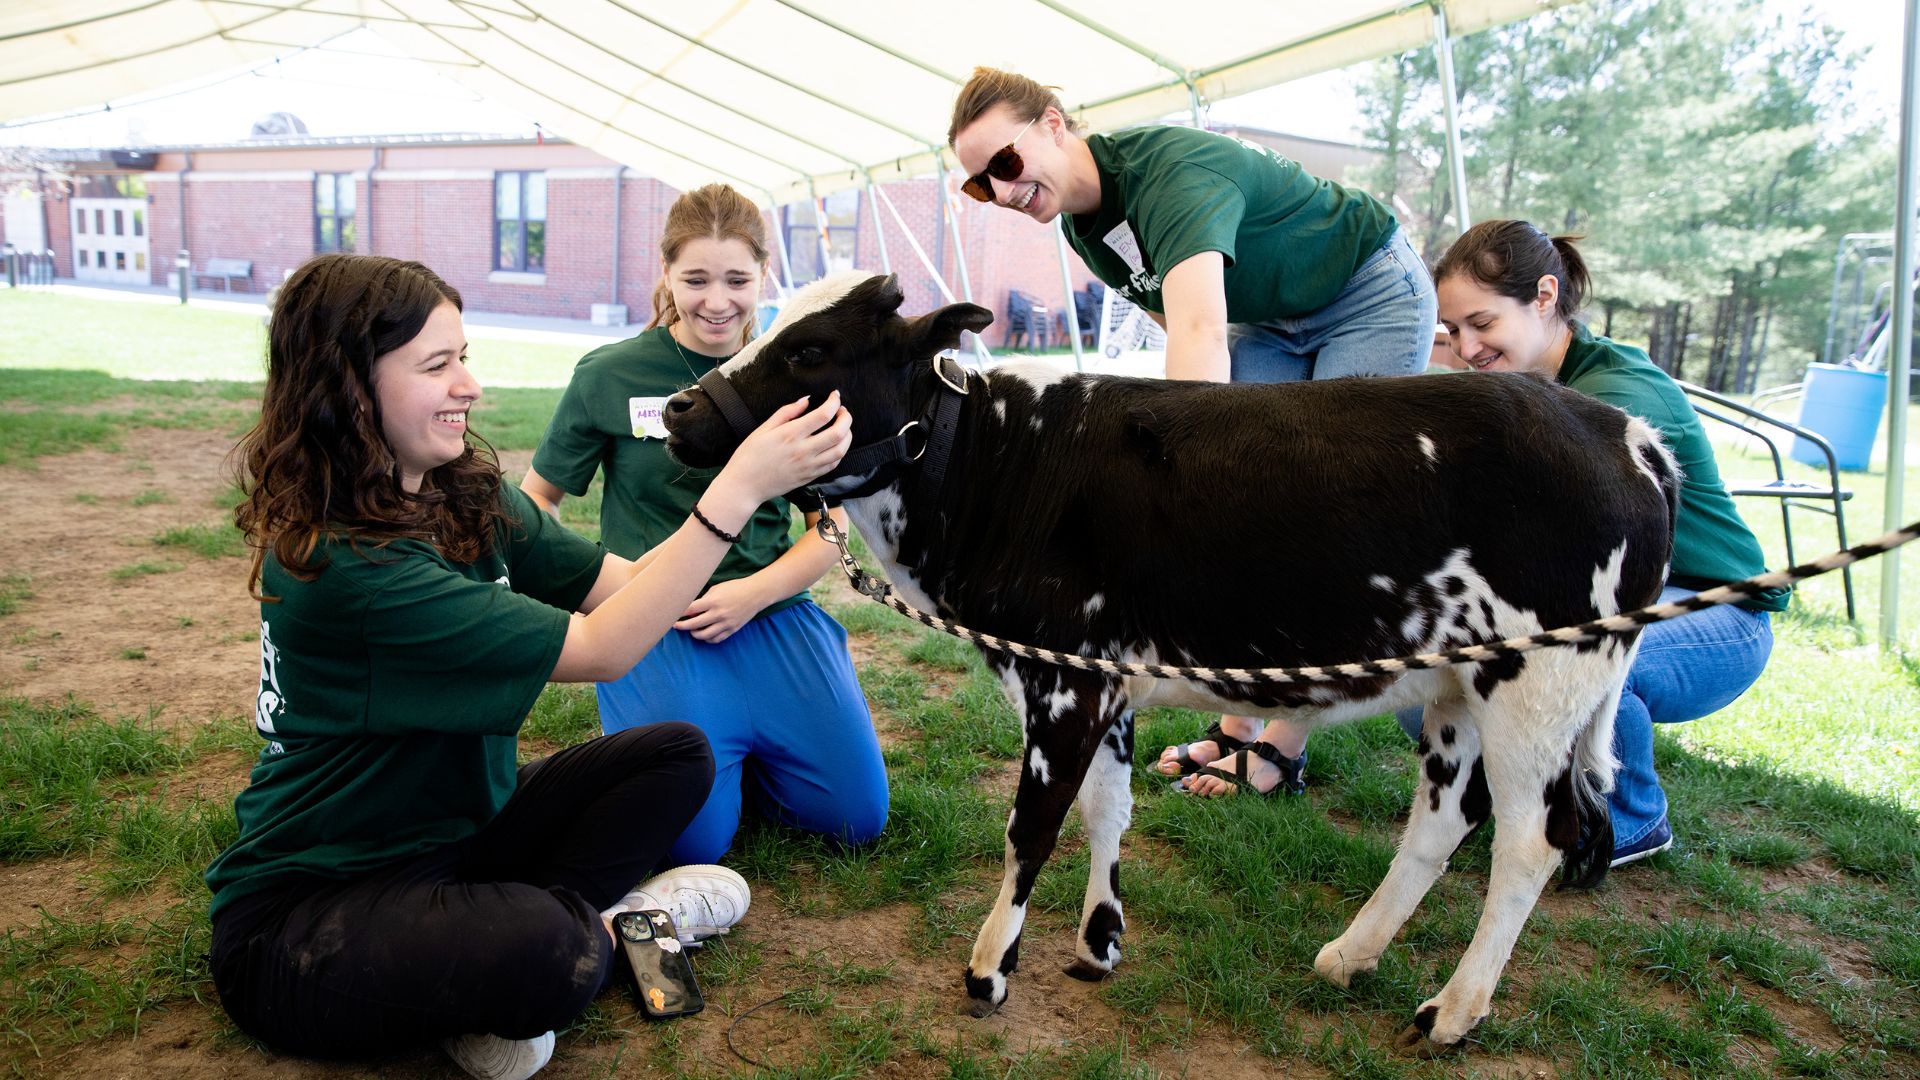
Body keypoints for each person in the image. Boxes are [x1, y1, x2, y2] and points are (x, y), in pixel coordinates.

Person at [205, 253, 852, 1080]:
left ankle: (515, 957)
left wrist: (768, 547)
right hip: (308, 912)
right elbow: (604, 648)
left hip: (462, 835)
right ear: (348, 389)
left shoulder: (461, 489)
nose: (469, 385)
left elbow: (622, 589)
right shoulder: (349, 571)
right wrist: (733, 493)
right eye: (437, 365)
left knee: (674, 754)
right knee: (553, 951)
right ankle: (596, 935)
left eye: (463, 355)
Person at [946, 68, 1439, 797]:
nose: (1003, 192)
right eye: (981, 185)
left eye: (1006, 164)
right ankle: (1238, 721)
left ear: (1054, 123)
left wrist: (1176, 486)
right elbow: (1172, 319)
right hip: (1274, 319)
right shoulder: (1085, 223)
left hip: (1368, 293)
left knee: (1318, 519)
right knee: (1256, 520)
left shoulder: (1168, 175)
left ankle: (1282, 749)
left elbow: (1203, 335)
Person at [520, 183, 888, 865]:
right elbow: (533, 505)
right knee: (693, 841)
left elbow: (830, 523)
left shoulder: (799, 371)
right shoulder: (609, 374)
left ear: (763, 277)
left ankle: (741, 753)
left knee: (854, 819)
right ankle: (721, 753)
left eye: (736, 280)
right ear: (665, 275)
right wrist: (590, 591)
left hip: (770, 609)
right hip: (652, 618)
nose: (716, 301)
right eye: (695, 279)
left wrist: (754, 593)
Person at [1415, 219, 1787, 865]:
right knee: (1435, 686)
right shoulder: (1511, 390)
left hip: (1720, 613)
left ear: (1544, 296)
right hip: (1607, 600)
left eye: (1482, 323)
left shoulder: (1616, 396)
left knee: (1567, 674)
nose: (1467, 346)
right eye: (1453, 331)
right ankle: (1514, 803)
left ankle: (1632, 817)